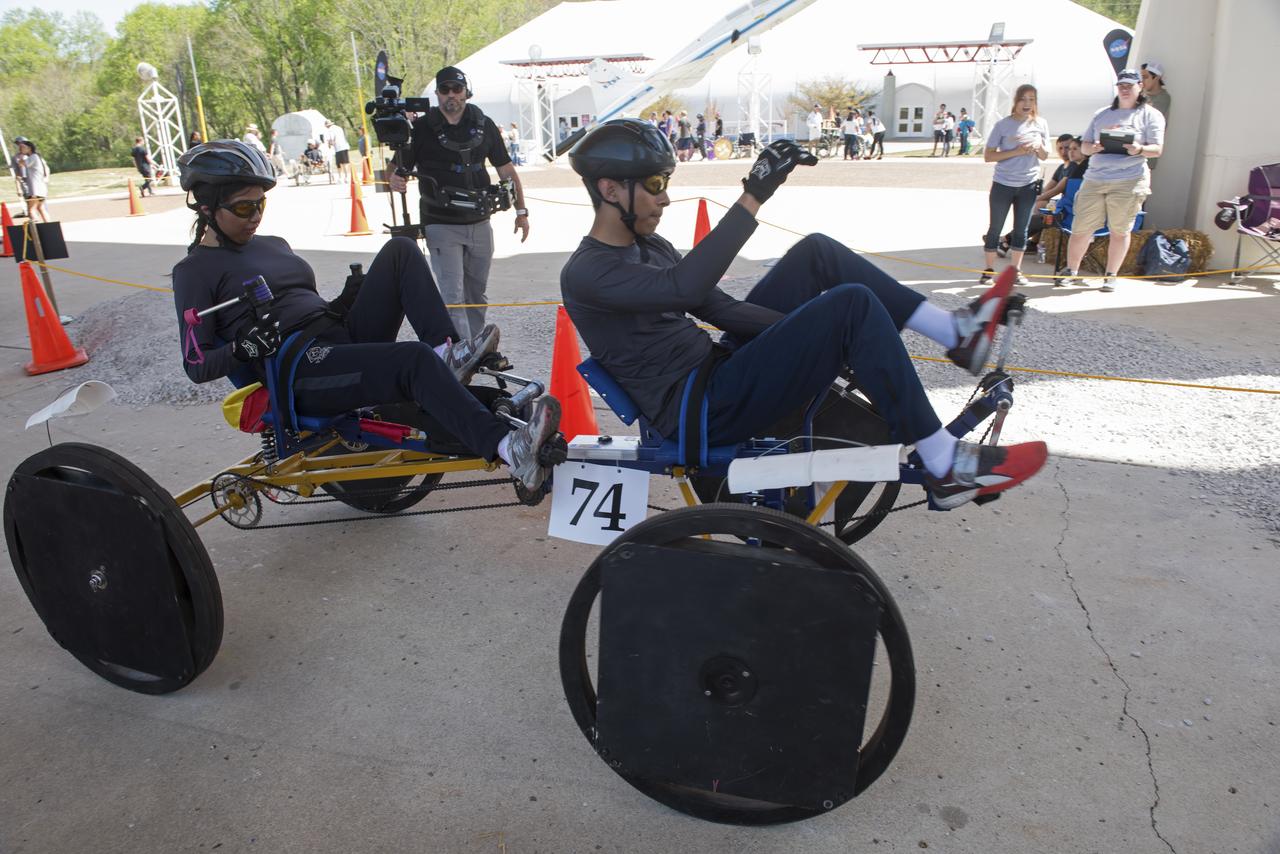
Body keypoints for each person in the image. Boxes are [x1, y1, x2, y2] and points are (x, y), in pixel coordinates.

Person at [560, 119, 1048, 509]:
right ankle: (944, 464)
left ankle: (955, 332)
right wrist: (752, 196)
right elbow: (684, 286)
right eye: (653, 183)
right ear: (609, 189)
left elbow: (717, 306)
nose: (664, 196)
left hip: (719, 374)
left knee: (818, 254)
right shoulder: (587, 273)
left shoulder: (650, 246)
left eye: (665, 182)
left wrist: (811, 335)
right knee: (851, 303)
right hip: (700, 409)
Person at [171, 140, 561, 491]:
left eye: (260, 204)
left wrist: (340, 304)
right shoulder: (194, 272)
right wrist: (243, 347)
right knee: (412, 360)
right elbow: (197, 364)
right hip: (299, 369)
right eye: (243, 207)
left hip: (334, 334)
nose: (255, 215)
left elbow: (300, 305)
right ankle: (510, 449)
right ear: (206, 207)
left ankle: (449, 355)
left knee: (401, 251)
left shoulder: (274, 244)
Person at [388, 66, 530, 340]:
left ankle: (475, 346)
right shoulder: (419, 129)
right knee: (452, 295)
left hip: (480, 223)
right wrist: (394, 179)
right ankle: (462, 352)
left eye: (457, 89)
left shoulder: (483, 124)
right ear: (437, 94)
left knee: (476, 292)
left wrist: (521, 212)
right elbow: (392, 170)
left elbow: (507, 171)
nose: (451, 95)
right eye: (445, 90)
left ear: (466, 92)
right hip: (440, 223)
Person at [1059, 69, 1164, 292]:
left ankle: (1110, 275)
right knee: (1081, 227)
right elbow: (1084, 146)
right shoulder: (1102, 114)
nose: (1125, 89)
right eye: (1121, 86)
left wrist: (1139, 149)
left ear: (1140, 87)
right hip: (1096, 177)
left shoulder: (1151, 115)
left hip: (1129, 179)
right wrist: (1093, 147)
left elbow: (1157, 149)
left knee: (1120, 229)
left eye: (1130, 85)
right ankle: (1071, 270)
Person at [979, 84, 1049, 286]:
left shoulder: (1041, 124)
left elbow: (1045, 155)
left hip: (1028, 184)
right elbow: (988, 155)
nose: (1027, 104)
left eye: (1031, 99)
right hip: (1003, 183)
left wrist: (1038, 147)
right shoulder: (1003, 125)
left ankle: (1015, 272)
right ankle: (988, 271)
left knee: (1022, 229)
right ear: (1016, 101)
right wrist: (1016, 151)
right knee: (995, 227)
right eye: (1023, 99)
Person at [12, 137, 50, 223]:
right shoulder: (36, 157)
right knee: (41, 208)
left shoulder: (33, 157)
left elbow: (22, 164)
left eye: (23, 147)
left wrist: (21, 156)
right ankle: (49, 227)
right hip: (41, 188)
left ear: (29, 148)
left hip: (35, 189)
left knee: (31, 210)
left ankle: (35, 230)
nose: (20, 149)